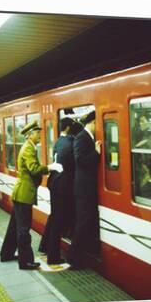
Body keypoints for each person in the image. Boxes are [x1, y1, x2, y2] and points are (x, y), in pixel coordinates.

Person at [0, 121, 63, 270]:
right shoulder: (28, 149)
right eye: (36, 133)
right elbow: (34, 169)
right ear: (29, 135)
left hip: (21, 193)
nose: (39, 135)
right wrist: (50, 167)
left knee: (14, 227)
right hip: (24, 194)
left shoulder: (29, 147)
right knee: (23, 229)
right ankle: (26, 261)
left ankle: (6, 254)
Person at [67, 110, 101, 269]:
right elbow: (79, 160)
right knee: (82, 222)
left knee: (86, 222)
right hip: (83, 189)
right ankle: (73, 259)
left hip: (87, 187)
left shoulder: (88, 137)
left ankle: (81, 255)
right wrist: (96, 153)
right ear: (93, 122)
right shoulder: (82, 137)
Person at [43, 117, 76, 265]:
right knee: (58, 220)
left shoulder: (58, 141)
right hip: (63, 186)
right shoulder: (70, 143)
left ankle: (45, 246)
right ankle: (53, 256)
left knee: (54, 217)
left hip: (54, 183)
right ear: (68, 128)